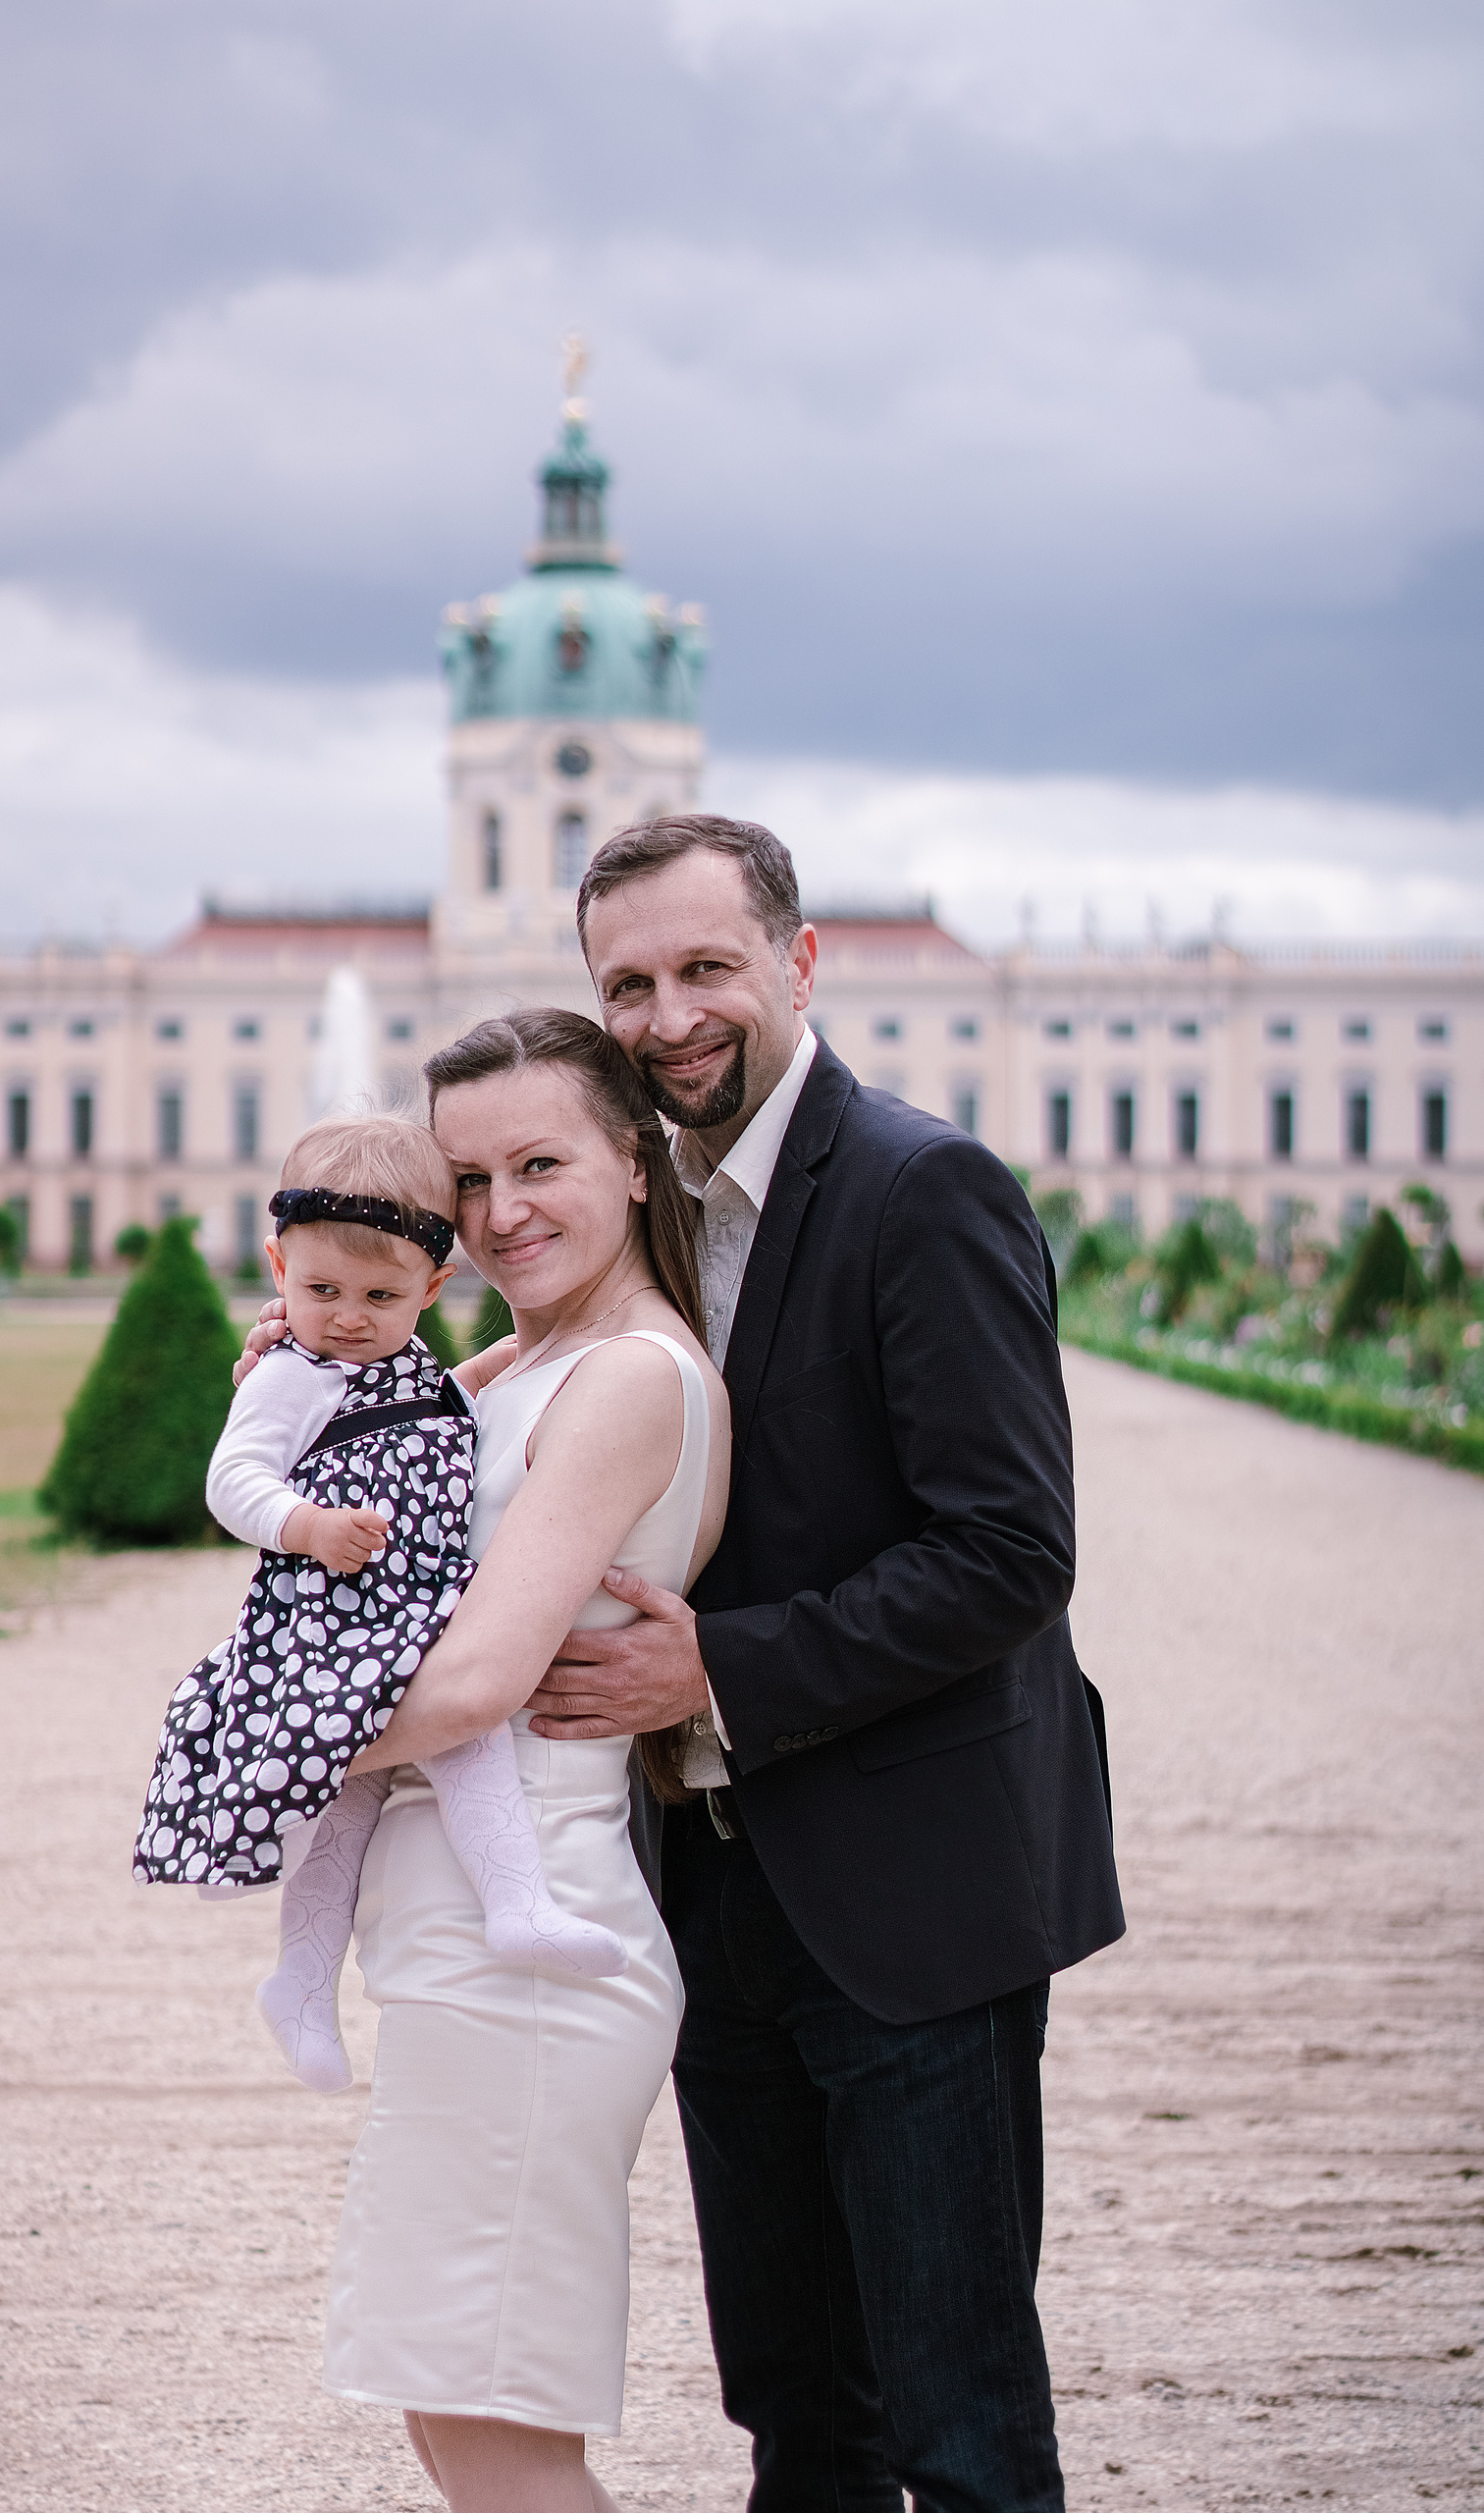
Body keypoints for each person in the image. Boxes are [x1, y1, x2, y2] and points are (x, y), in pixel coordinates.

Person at [518, 815, 1127, 2511]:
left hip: (912, 1898)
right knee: (797, 2416)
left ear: (796, 963)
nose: (664, 1016)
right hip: (715, 1893)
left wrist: (713, 1678)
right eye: (624, 984)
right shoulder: (641, 1212)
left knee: (959, 2427)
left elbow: (1010, 1550)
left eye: (704, 968)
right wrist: (322, 1345)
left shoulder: (921, 1188)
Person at [245, 1010, 730, 2512]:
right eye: (469, 1177)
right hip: (460, 1937)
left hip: (529, 1945)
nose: (502, 1206)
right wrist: (296, 1370)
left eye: (542, 1162)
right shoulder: (509, 1360)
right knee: (448, 2416)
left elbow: (472, 1679)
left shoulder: (631, 1378)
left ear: (634, 1165)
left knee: (499, 2439)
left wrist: (248, 1746)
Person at [133, 1113, 626, 2101]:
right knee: (374, 1784)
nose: (349, 1316)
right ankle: (324, 1972)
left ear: (433, 1288)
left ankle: (465, 1919)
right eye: (320, 1290)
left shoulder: (402, 1368)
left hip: (401, 1617)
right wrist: (306, 1524)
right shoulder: (286, 1373)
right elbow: (231, 1481)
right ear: (277, 1266)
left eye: (380, 1295)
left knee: (419, 1760)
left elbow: (453, 1399)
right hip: (327, 1622)